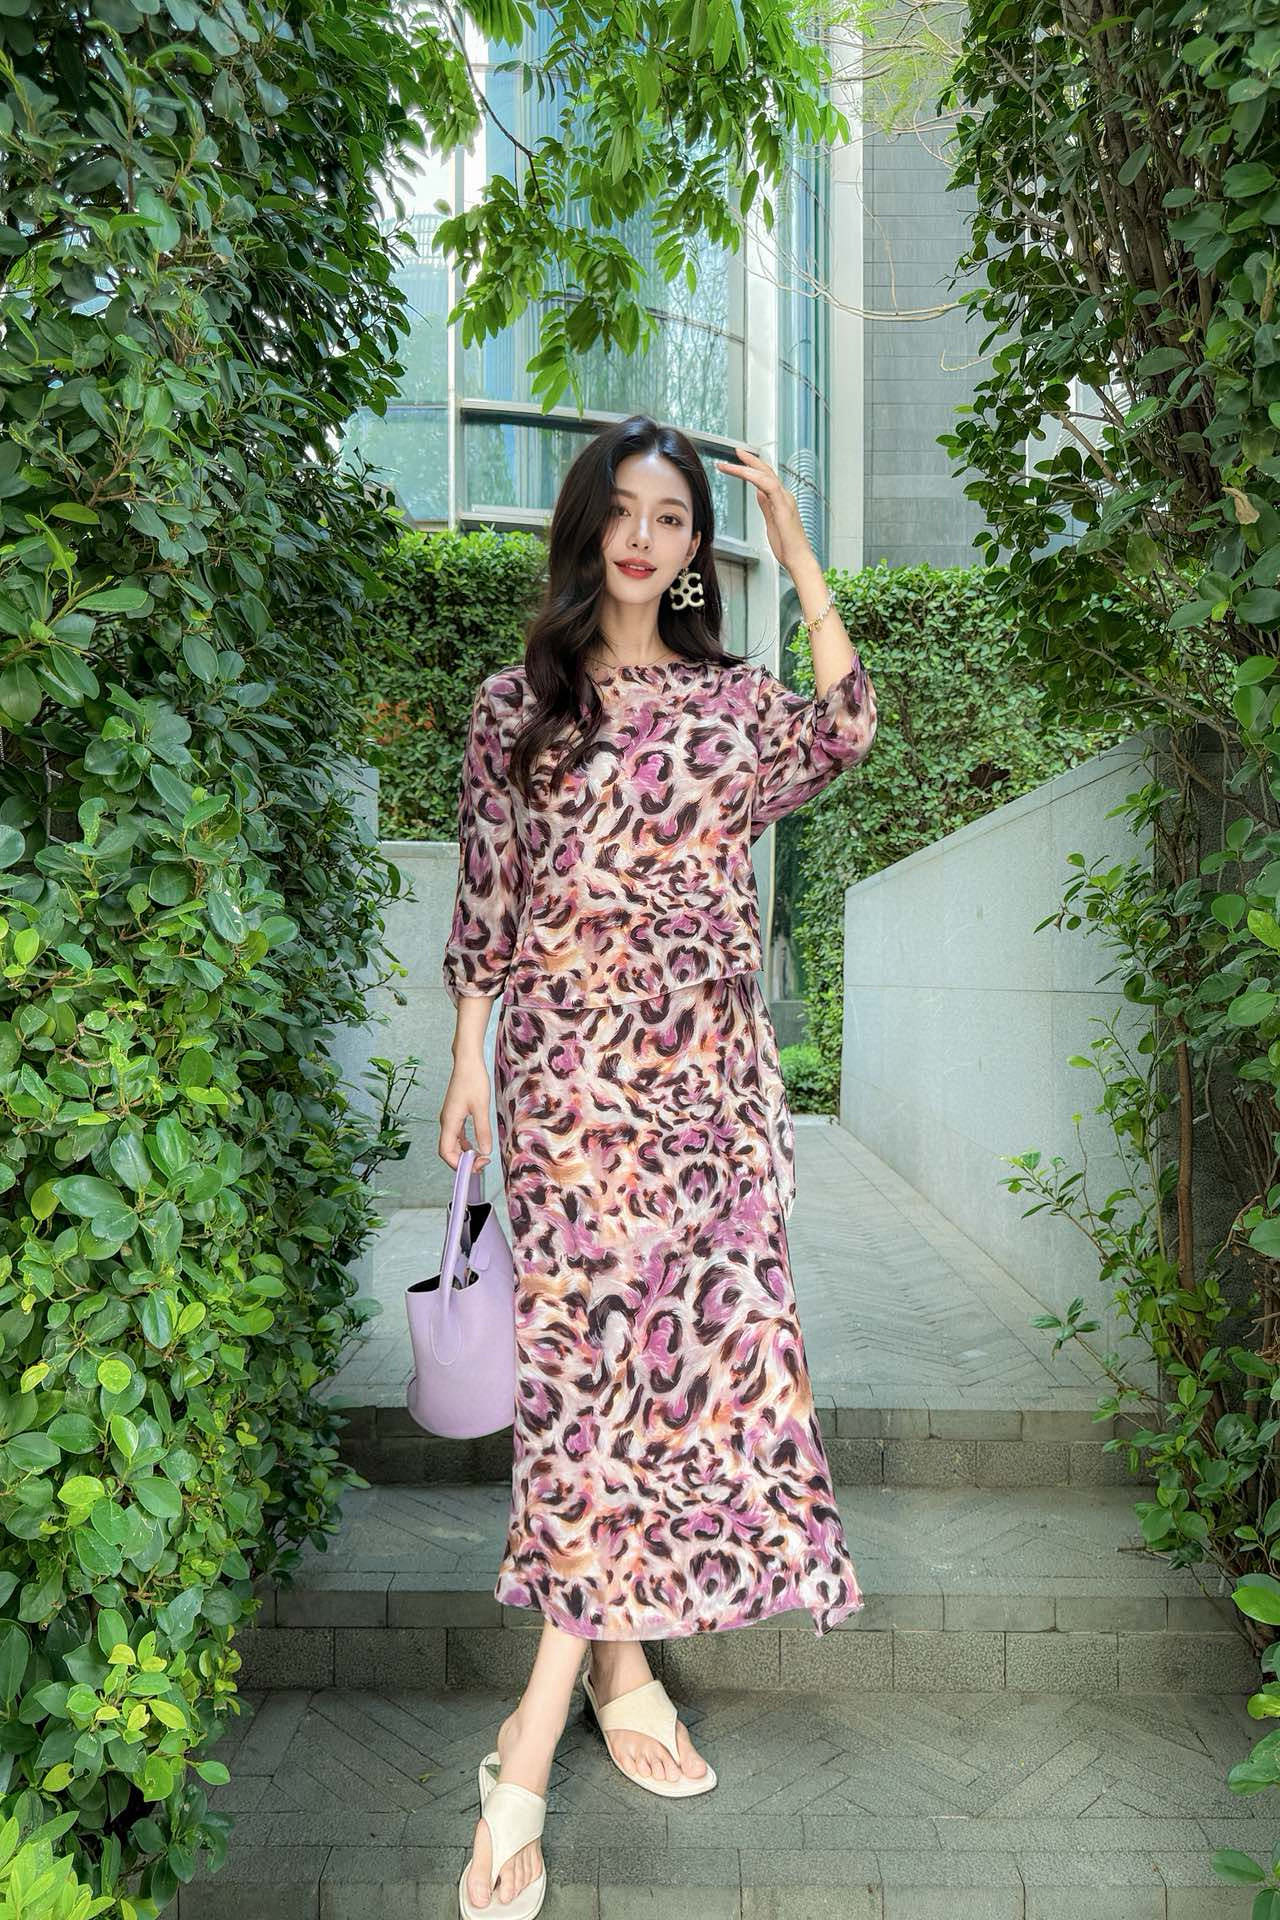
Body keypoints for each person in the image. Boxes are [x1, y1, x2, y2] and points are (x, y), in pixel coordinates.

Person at [439, 413, 878, 1917]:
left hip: (708, 1092)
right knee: (591, 1381)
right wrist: (466, 1062)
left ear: (697, 547)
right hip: (568, 1086)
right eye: (623, 512)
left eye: (673, 519)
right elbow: (488, 900)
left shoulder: (733, 702)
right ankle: (534, 1740)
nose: (643, 538)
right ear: (589, 525)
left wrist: (797, 547)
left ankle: (605, 1677)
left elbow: (848, 728)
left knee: (667, 1372)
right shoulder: (518, 704)